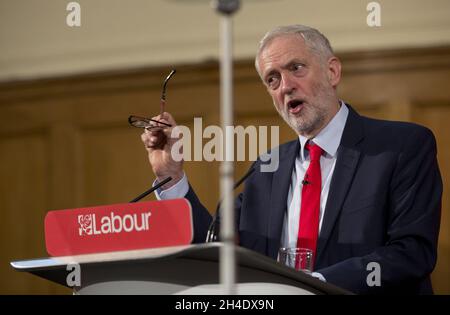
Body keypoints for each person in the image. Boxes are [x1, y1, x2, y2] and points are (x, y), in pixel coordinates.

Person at [141, 25, 442, 294]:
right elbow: (214, 251)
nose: (285, 86)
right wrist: (172, 177)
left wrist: (313, 287)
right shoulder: (265, 168)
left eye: (296, 68)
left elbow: (411, 253)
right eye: (273, 79)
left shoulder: (402, 146)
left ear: (332, 71)